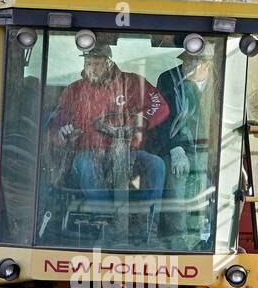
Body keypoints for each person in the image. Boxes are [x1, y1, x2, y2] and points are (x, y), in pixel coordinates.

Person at [48, 44, 170, 243]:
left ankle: (147, 228)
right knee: (86, 165)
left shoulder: (132, 83)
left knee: (156, 164)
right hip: (88, 152)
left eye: (97, 63)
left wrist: (141, 120)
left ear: (109, 63)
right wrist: (62, 129)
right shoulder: (74, 90)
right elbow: (58, 118)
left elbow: (160, 106)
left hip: (130, 153)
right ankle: (109, 224)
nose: (92, 68)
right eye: (88, 63)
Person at [151, 42, 217, 248]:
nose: (184, 66)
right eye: (185, 60)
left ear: (206, 65)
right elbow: (162, 119)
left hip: (213, 148)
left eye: (191, 62)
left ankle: (211, 236)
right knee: (176, 174)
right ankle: (176, 238)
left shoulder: (222, 82)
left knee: (237, 181)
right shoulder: (168, 79)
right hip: (178, 147)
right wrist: (175, 149)